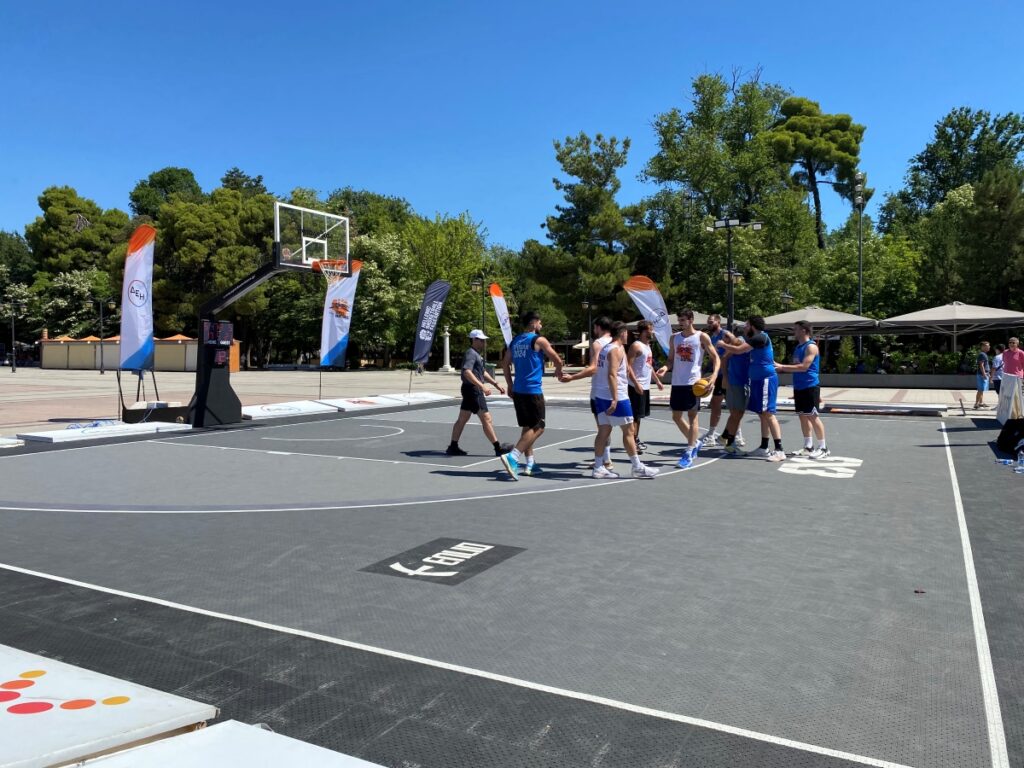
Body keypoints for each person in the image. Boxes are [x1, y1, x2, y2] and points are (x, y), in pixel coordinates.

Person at [498, 312, 565, 480]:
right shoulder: (538, 340)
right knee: (539, 426)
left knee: (527, 427)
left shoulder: (515, 341)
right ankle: (513, 456)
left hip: (519, 390)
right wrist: (558, 369)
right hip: (532, 390)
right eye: (540, 323)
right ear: (534, 323)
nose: (541, 326)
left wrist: (510, 384)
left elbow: (505, 364)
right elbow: (557, 358)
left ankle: (530, 464)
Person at [591, 322, 659, 479]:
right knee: (629, 431)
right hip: (616, 396)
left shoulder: (607, 348)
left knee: (603, 431)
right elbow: (612, 374)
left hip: (601, 395)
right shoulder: (615, 350)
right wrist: (615, 399)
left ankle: (598, 467)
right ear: (621, 333)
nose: (628, 335)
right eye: (626, 333)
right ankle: (637, 467)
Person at [654, 308, 719, 469]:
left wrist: (714, 376)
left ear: (691, 320)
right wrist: (664, 367)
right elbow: (670, 360)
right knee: (676, 417)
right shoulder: (674, 338)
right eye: (679, 320)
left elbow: (716, 357)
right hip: (677, 382)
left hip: (693, 383)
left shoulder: (701, 337)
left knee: (692, 417)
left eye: (683, 320)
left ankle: (689, 451)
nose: (680, 323)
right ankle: (695, 442)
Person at [720, 316, 785, 461]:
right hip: (757, 380)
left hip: (765, 379)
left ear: (752, 326)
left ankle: (779, 450)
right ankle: (763, 447)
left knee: (768, 413)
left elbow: (738, 350)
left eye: (747, 325)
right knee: (762, 414)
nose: (745, 327)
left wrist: (722, 344)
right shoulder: (757, 338)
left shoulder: (760, 338)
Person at [561, 316, 615, 471]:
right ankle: (607, 459)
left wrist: (572, 377)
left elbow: (593, 368)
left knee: (602, 428)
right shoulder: (615, 343)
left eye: (594, 328)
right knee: (614, 428)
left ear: (598, 327)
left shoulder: (597, 344)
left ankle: (605, 461)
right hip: (614, 391)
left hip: (599, 392)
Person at [446, 330, 511, 457]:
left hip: (469, 389)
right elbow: (467, 372)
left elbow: (482, 372)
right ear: (474, 340)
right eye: (481, 340)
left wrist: (495, 384)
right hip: (473, 390)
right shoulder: (471, 354)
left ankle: (453, 446)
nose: (484, 342)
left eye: (484, 340)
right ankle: (498, 448)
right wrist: (482, 386)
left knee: (463, 418)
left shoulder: (476, 354)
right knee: (486, 418)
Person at [774, 321, 829, 458]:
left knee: (813, 416)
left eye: (796, 329)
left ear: (804, 331)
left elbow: (804, 367)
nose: (794, 331)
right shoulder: (799, 347)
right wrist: (780, 370)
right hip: (799, 387)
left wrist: (782, 366)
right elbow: (795, 367)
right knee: (803, 416)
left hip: (810, 386)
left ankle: (823, 448)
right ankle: (808, 446)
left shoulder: (811, 347)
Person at [626, 320, 664, 454]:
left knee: (639, 416)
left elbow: (649, 365)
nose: (652, 331)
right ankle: (632, 443)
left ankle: (635, 439)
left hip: (645, 386)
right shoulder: (636, 346)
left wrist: (657, 381)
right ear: (642, 331)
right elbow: (628, 367)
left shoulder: (647, 346)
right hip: (636, 386)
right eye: (650, 329)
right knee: (635, 416)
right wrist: (636, 384)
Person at [718, 322, 750, 456]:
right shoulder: (740, 341)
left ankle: (725, 436)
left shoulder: (746, 342)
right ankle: (730, 443)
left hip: (741, 381)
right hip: (736, 382)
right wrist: (725, 376)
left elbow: (725, 357)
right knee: (736, 413)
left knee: (738, 413)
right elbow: (724, 358)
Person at [701, 314, 732, 448]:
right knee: (717, 403)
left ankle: (714, 434)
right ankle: (716, 434)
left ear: (718, 322)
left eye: (711, 321)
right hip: (718, 374)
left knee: (730, 405)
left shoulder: (725, 333)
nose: (709, 323)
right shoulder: (712, 337)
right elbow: (713, 358)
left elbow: (738, 344)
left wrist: (725, 355)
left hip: (727, 374)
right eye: (708, 322)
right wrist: (705, 371)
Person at [974, 341, 991, 409]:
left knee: (982, 389)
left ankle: (980, 403)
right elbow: (981, 365)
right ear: (982, 347)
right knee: (980, 389)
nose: (989, 347)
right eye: (987, 346)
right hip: (981, 374)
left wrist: (987, 373)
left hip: (983, 373)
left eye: (989, 345)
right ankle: (976, 404)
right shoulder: (982, 354)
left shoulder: (984, 354)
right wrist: (984, 374)